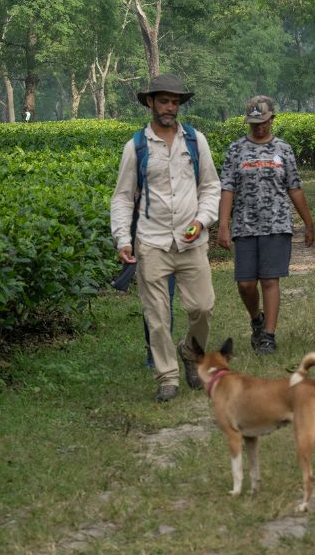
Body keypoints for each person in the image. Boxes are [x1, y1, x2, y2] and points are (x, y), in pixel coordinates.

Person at [110, 73, 221, 402]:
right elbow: (122, 197)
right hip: (152, 242)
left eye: (174, 101)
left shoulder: (195, 141)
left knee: (203, 307)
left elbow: (211, 186)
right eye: (163, 100)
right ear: (150, 103)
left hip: (191, 241)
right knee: (157, 316)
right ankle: (167, 376)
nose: (169, 107)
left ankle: (190, 350)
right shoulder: (137, 146)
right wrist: (123, 239)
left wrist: (202, 221)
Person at [217, 95, 315, 355]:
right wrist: (223, 225)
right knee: (246, 284)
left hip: (276, 224)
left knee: (270, 280)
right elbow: (227, 188)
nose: (259, 127)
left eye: (263, 122)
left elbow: (294, 187)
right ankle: (256, 321)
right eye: (253, 123)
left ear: (272, 119)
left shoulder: (283, 149)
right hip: (245, 225)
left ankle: (269, 337)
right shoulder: (236, 149)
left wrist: (308, 223)